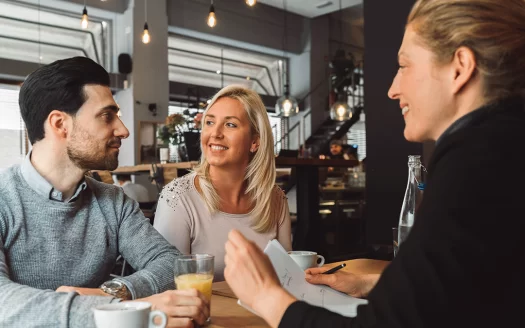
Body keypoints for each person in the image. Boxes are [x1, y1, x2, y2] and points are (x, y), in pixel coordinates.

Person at [223, 0, 525, 327]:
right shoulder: (503, 146)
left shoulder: (475, 164)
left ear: (460, 67)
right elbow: (473, 289)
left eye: (404, 66)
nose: (393, 90)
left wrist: (267, 296)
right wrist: (375, 283)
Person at [0, 57, 208, 327]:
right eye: (107, 116)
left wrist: (113, 294)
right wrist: (123, 311)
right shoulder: (4, 200)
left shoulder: (114, 202)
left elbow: (169, 263)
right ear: (60, 124)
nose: (123, 130)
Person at [154, 85, 292, 281]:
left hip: (265, 311)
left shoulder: (275, 198)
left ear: (255, 142)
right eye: (210, 122)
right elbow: (167, 282)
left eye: (231, 125)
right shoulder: (177, 198)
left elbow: (288, 277)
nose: (215, 133)